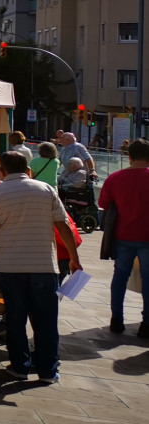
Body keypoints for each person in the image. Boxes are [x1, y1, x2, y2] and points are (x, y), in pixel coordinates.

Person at [0, 150, 82, 383]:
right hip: (44, 265)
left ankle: (20, 367)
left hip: (11, 267)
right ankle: (48, 371)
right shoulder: (46, 190)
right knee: (46, 320)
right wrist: (74, 258)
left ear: (1, 170)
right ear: (27, 169)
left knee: (15, 319)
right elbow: (63, 226)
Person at [98, 138, 149, 336]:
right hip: (147, 237)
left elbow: (103, 202)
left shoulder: (115, 178)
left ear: (129, 156)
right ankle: (146, 324)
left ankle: (116, 319)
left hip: (122, 235)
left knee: (119, 277)